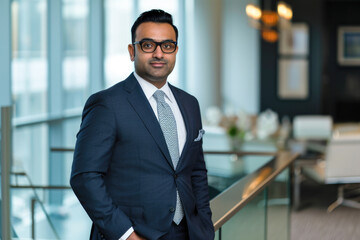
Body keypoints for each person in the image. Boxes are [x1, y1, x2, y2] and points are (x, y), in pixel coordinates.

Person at [70, 9, 215, 240]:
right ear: (132, 51)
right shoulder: (107, 104)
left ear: (176, 50)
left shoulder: (189, 104)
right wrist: (126, 234)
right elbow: (84, 177)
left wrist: (205, 224)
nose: (159, 53)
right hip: (134, 233)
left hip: (187, 231)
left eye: (167, 45)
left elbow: (195, 171)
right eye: (148, 45)